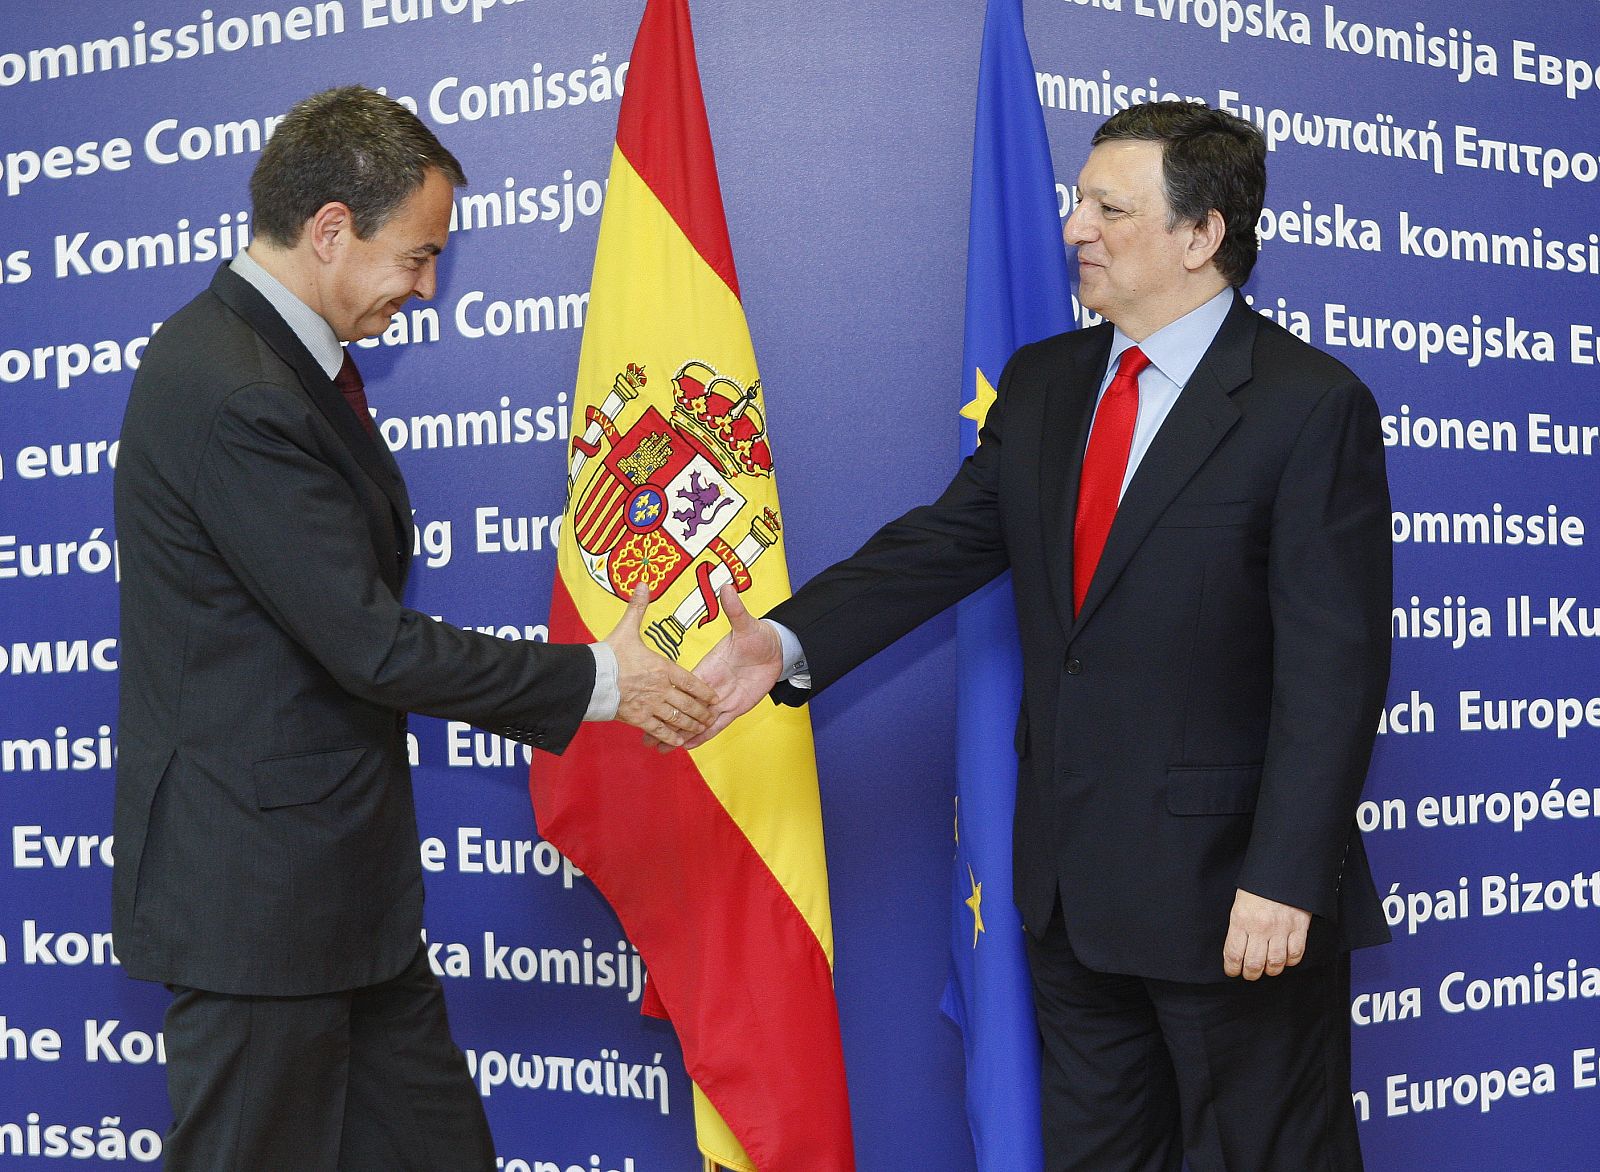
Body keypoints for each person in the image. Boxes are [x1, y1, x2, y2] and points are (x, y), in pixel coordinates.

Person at [691, 102, 1392, 1171]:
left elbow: (1332, 670)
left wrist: (1286, 876)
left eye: (1109, 207)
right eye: (1077, 201)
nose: (1075, 227)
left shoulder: (1309, 405)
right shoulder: (1047, 381)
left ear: (1200, 235)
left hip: (1234, 902)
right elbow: (940, 545)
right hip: (1071, 898)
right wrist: (783, 642)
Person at [111, 85, 715, 1170]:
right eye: (418, 255)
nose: (428, 288)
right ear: (331, 228)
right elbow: (370, 641)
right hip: (261, 906)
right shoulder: (232, 384)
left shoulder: (281, 360)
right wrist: (598, 679)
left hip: (343, 898)